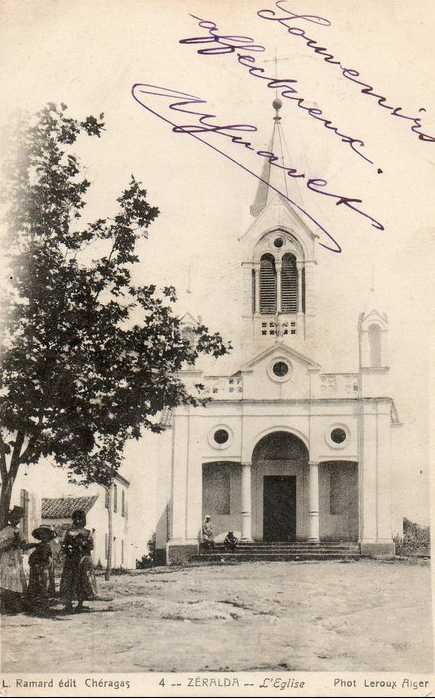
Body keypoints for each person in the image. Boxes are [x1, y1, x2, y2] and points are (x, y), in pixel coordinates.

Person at [60, 509, 97, 612]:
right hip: (71, 560)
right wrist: (68, 549)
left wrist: (84, 544)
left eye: (80, 518)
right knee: (69, 581)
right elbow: (64, 545)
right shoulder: (69, 532)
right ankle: (68, 604)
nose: (77, 520)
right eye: (75, 518)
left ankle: (80, 604)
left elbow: (91, 547)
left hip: (82, 560)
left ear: (83, 520)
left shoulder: (87, 532)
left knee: (82, 581)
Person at [0, 506, 35, 613]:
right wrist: (11, 544)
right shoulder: (5, 531)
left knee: (16, 580)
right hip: (7, 558)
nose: (16, 520)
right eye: (14, 518)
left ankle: (14, 604)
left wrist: (35, 544)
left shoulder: (19, 531)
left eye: (18, 518)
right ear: (11, 518)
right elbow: (1, 547)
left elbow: (24, 546)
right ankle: (4, 605)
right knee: (6, 579)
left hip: (16, 558)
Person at [27, 525, 57, 614]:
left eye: (45, 534)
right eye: (41, 534)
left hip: (42, 568)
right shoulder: (40, 545)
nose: (42, 536)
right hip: (36, 568)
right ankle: (38, 605)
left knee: (42, 586)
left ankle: (43, 606)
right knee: (36, 586)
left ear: (48, 536)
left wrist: (36, 561)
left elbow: (44, 558)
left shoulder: (47, 546)